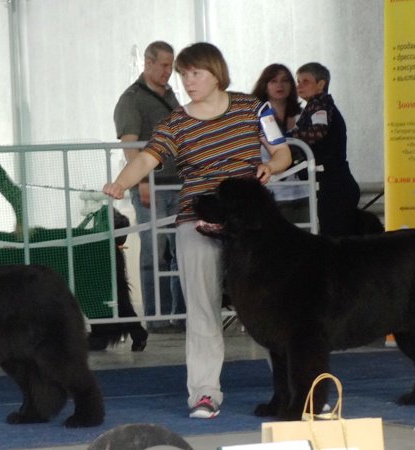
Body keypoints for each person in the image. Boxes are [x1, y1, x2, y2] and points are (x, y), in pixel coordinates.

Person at [103, 42, 292, 419]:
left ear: (216, 72)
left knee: (275, 309)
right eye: (183, 75)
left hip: (250, 225)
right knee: (203, 309)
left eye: (195, 74)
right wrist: (121, 183)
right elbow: (146, 158)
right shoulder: (175, 122)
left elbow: (282, 152)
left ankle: (296, 390)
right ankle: (205, 393)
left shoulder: (252, 108)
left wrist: (273, 167)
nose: (188, 82)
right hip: (197, 219)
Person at [113, 41, 185, 332]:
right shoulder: (131, 100)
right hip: (151, 185)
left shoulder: (172, 97)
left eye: (171, 65)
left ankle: (181, 315)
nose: (168, 71)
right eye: (164, 65)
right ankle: (157, 316)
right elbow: (130, 145)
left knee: (180, 249)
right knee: (154, 250)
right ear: (148, 63)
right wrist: (142, 180)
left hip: (178, 184)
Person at [289, 62, 360, 237]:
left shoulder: (320, 105)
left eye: (305, 81)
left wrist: (287, 138)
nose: (299, 86)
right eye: (298, 81)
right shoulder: (317, 106)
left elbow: (317, 132)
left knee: (334, 238)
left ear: (321, 84)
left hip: (334, 186)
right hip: (336, 184)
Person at [251, 64, 309, 225]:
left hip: (301, 190)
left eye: (285, 80)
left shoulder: (303, 115)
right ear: (264, 85)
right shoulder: (254, 117)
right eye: (273, 81)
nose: (280, 85)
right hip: (268, 193)